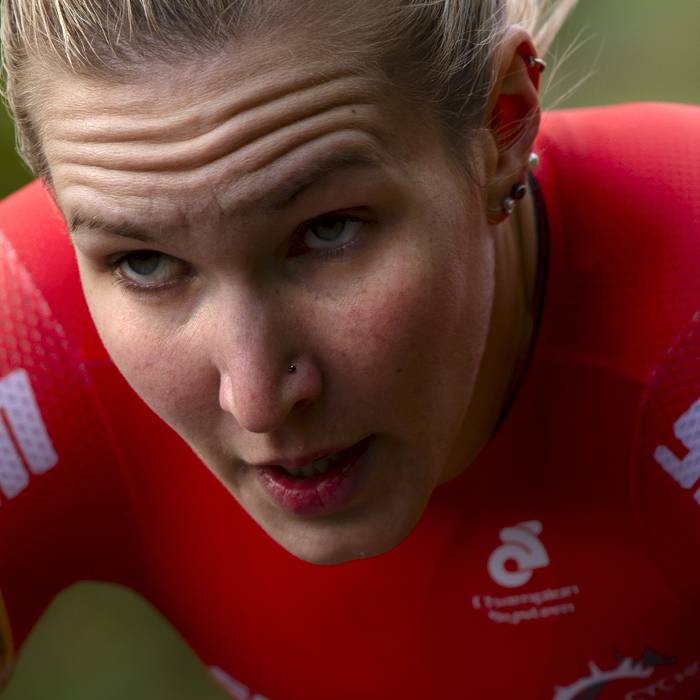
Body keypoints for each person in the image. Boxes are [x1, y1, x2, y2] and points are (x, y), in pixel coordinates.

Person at [0, 0, 699, 697]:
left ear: (502, 125)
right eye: (143, 262)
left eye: (329, 228)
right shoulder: (29, 344)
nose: (257, 398)